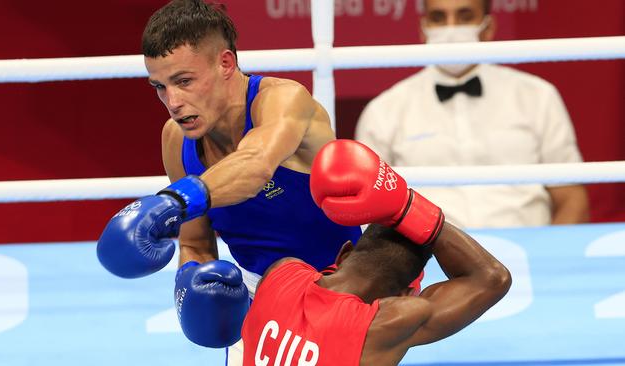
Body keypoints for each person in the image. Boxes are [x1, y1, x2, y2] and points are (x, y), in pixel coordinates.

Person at [95, 0, 361, 364]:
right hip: (259, 295)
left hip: (344, 288)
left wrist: (174, 201)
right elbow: (196, 240)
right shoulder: (176, 139)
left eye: (184, 81)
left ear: (225, 63)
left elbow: (254, 165)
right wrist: (191, 279)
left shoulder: (283, 101)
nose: (172, 101)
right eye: (159, 86)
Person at [238, 139, 512, 365]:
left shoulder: (282, 273)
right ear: (405, 294)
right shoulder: (386, 324)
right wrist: (405, 206)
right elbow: (492, 279)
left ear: (344, 254)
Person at [355, 0, 590, 229]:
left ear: (488, 28)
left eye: (465, 16)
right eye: (439, 18)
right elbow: (370, 213)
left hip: (529, 257)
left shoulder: (538, 96)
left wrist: (547, 259)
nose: (451, 28)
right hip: (427, 261)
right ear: (423, 28)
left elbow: (572, 198)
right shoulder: (383, 111)